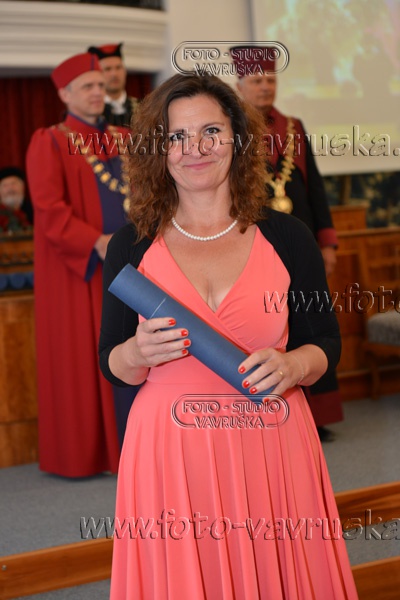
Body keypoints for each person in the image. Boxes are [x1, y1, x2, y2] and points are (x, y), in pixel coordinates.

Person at [99, 73, 358, 599]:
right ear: (158, 149)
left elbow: (326, 343)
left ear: (238, 140)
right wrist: (137, 352)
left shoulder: (288, 236)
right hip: (171, 449)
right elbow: (112, 363)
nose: (194, 148)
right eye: (177, 135)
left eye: (211, 131)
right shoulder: (131, 244)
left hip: (271, 440)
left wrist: (294, 365)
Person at [26, 52, 135, 478]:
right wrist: (96, 242)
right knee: (85, 358)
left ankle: (136, 446)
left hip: (134, 264)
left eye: (100, 85)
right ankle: (93, 454)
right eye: (87, 86)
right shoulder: (50, 141)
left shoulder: (125, 139)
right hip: (82, 270)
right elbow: (49, 210)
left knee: (137, 349)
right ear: (64, 94)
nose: (97, 92)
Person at [231, 45, 343, 442]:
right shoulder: (231, 129)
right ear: (239, 85)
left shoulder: (294, 126)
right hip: (258, 240)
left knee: (312, 319)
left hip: (304, 239)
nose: (266, 86)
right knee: (276, 322)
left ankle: (319, 413)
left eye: (271, 79)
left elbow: (316, 190)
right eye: (257, 80)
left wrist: (327, 242)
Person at [87, 42, 139, 128]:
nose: (114, 74)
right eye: (107, 69)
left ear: (125, 71)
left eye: (118, 67)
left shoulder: (143, 108)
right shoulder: (90, 112)